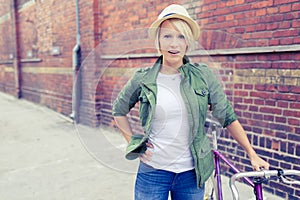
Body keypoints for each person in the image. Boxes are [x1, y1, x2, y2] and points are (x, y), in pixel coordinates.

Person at [112, 4, 269, 200]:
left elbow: (227, 116)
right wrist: (133, 143)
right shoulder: (142, 78)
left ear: (188, 43)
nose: (174, 44)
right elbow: (119, 110)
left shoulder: (203, 76)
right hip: (153, 171)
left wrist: (251, 153)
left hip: (192, 174)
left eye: (181, 36)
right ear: (158, 41)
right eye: (167, 36)